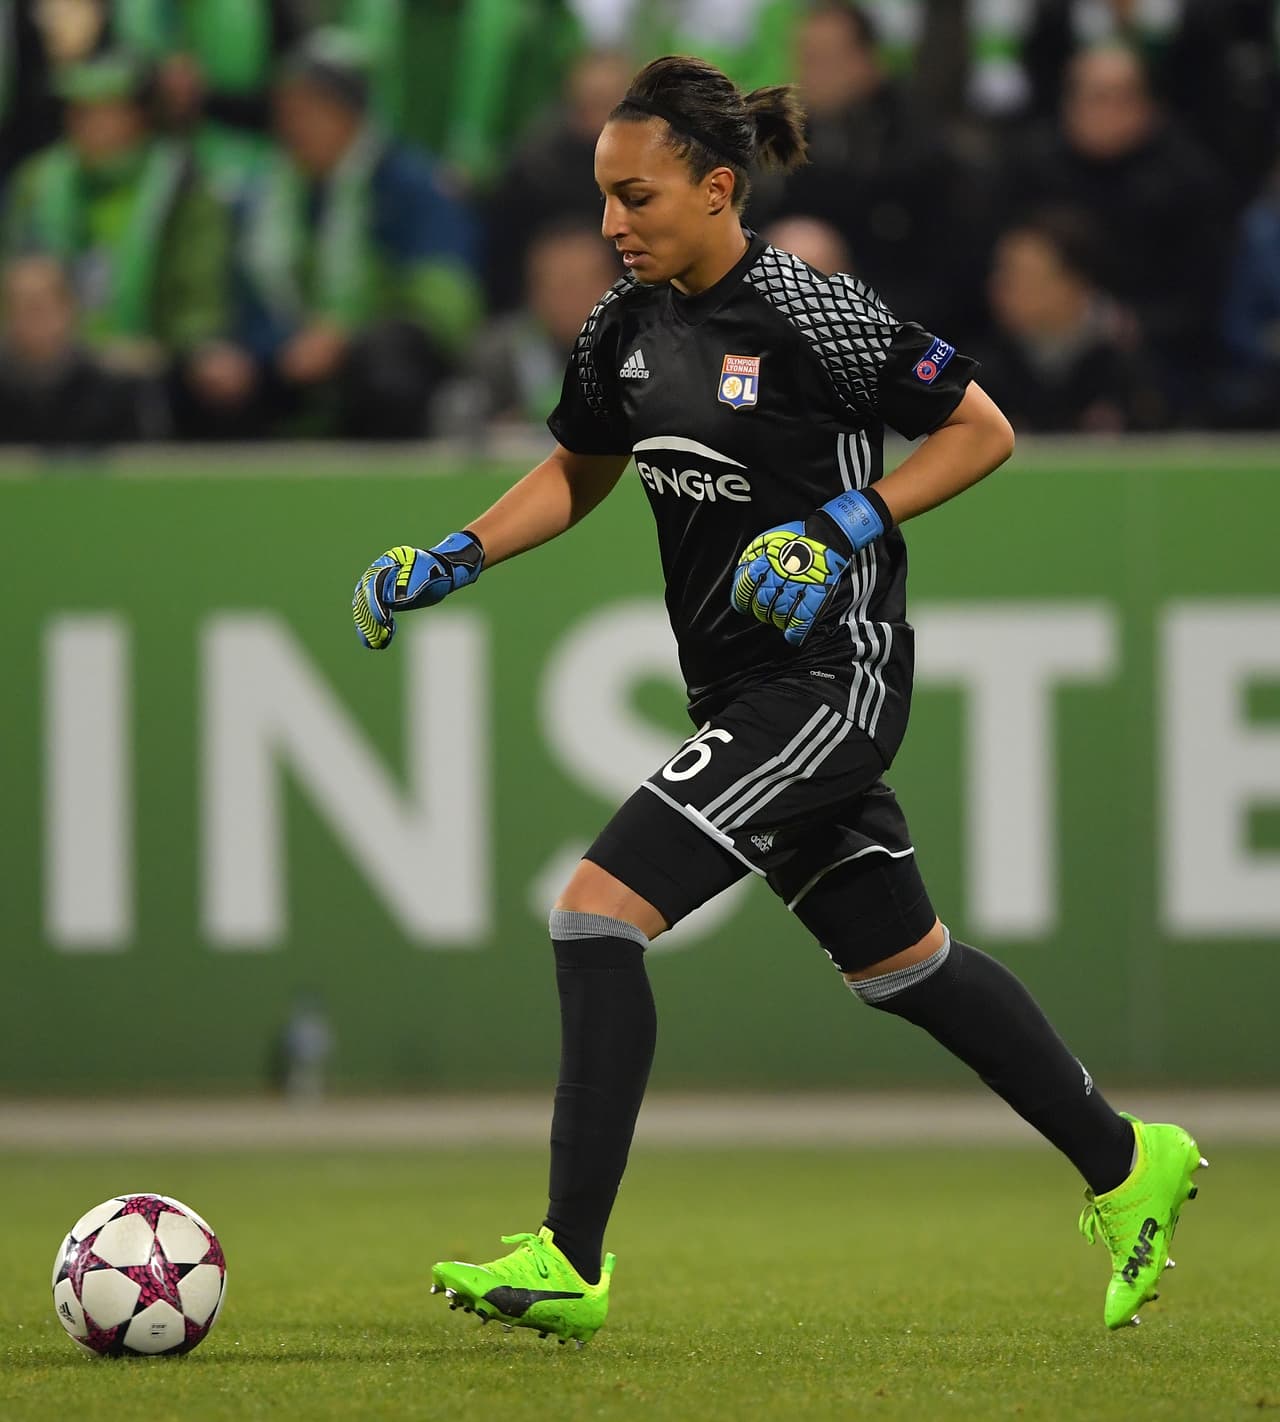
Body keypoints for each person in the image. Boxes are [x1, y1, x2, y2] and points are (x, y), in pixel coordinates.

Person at [351, 54, 1206, 1347]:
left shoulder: (816, 311)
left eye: (635, 196)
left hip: (828, 680)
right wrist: (457, 550)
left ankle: (570, 1257)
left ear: (716, 185)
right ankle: (1127, 1156)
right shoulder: (619, 325)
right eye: (601, 197)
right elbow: (579, 469)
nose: (609, 224)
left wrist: (847, 516)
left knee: (596, 916)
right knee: (902, 964)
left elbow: (982, 427)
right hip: (738, 689)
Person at [236, 28, 482, 439]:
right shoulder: (262, 198)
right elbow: (237, 295)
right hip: (282, 360)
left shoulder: (409, 187)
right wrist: (275, 345)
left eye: (311, 110)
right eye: (287, 112)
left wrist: (346, 335)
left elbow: (445, 297)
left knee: (387, 362)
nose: (296, 126)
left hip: (370, 358)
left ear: (351, 115)